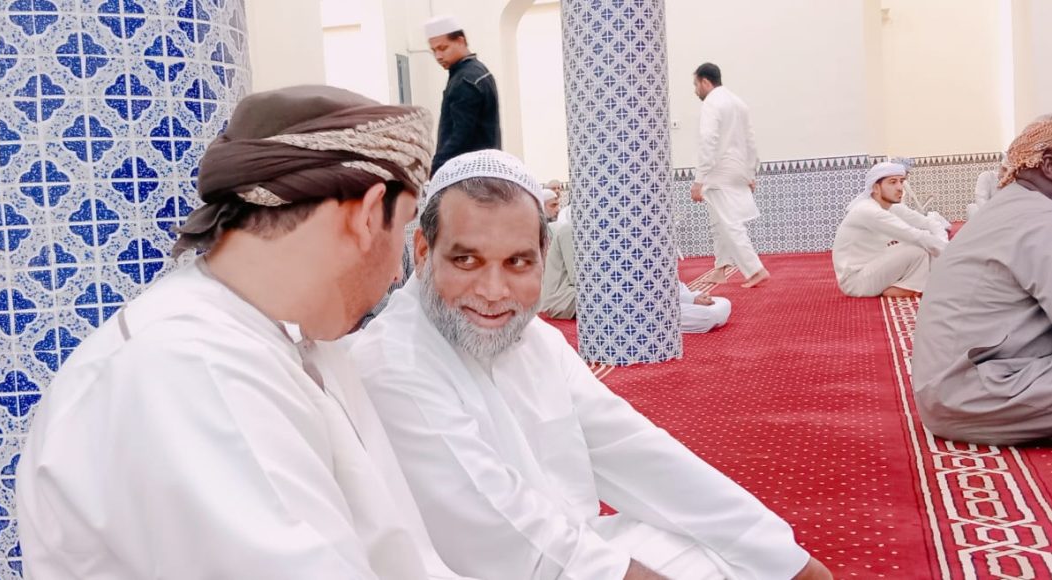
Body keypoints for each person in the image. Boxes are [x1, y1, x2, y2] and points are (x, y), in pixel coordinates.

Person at [17, 85, 470, 579]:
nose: (398, 273)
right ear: (367, 214)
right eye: (401, 226)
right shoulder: (192, 368)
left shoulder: (277, 339)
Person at [351, 149, 831, 580]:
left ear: (542, 258)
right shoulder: (393, 362)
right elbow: (504, 533)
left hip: (577, 548)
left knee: (727, 558)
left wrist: (780, 555)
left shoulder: (534, 340)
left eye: (518, 263)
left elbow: (634, 449)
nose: (494, 292)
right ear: (423, 252)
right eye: (467, 261)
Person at [912, 115, 1052, 446]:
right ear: (1049, 165)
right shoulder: (1040, 219)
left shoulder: (1015, 207)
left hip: (961, 389)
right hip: (980, 395)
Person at [540, 221, 730, 333]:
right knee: (631, 292)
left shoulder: (603, 228)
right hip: (565, 299)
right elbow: (582, 279)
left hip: (591, 294)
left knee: (635, 283)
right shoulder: (571, 230)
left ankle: (678, 301)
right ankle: (668, 308)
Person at [691, 62, 769, 288]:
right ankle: (720, 269)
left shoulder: (712, 103)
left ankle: (755, 269)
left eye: (696, 85)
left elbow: (708, 140)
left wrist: (699, 180)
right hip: (737, 170)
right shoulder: (738, 102)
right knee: (719, 222)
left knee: (730, 223)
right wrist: (750, 173)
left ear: (706, 82)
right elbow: (750, 141)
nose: (695, 90)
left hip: (718, 172)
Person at [831, 162, 948, 298]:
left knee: (926, 242)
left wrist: (944, 244)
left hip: (873, 266)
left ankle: (918, 283)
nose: (900, 188)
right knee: (919, 247)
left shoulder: (890, 207)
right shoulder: (868, 211)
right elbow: (913, 235)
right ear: (876, 188)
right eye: (892, 182)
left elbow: (929, 223)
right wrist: (952, 254)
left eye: (901, 181)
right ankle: (908, 287)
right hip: (856, 282)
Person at [425, 15, 501, 174]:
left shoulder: (465, 80)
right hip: (485, 170)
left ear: (460, 41)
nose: (438, 56)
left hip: (468, 174)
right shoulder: (478, 72)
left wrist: (436, 168)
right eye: (434, 51)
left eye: (443, 48)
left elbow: (460, 136)